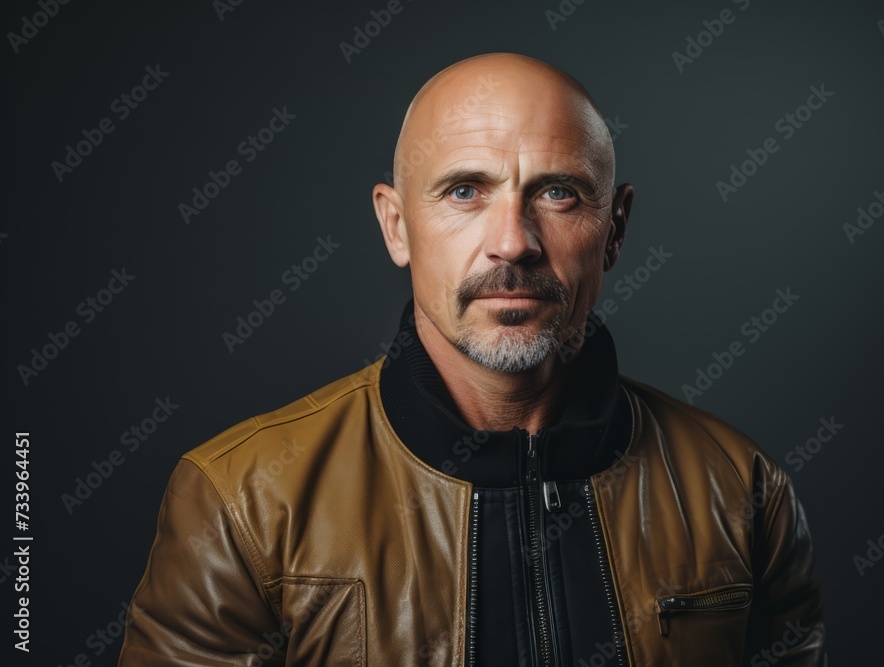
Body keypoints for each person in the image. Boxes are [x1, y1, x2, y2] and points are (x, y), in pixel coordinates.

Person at [118, 52, 826, 666]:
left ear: (614, 229)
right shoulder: (243, 502)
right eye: (465, 190)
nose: (513, 242)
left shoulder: (742, 490)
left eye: (557, 192)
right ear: (397, 226)